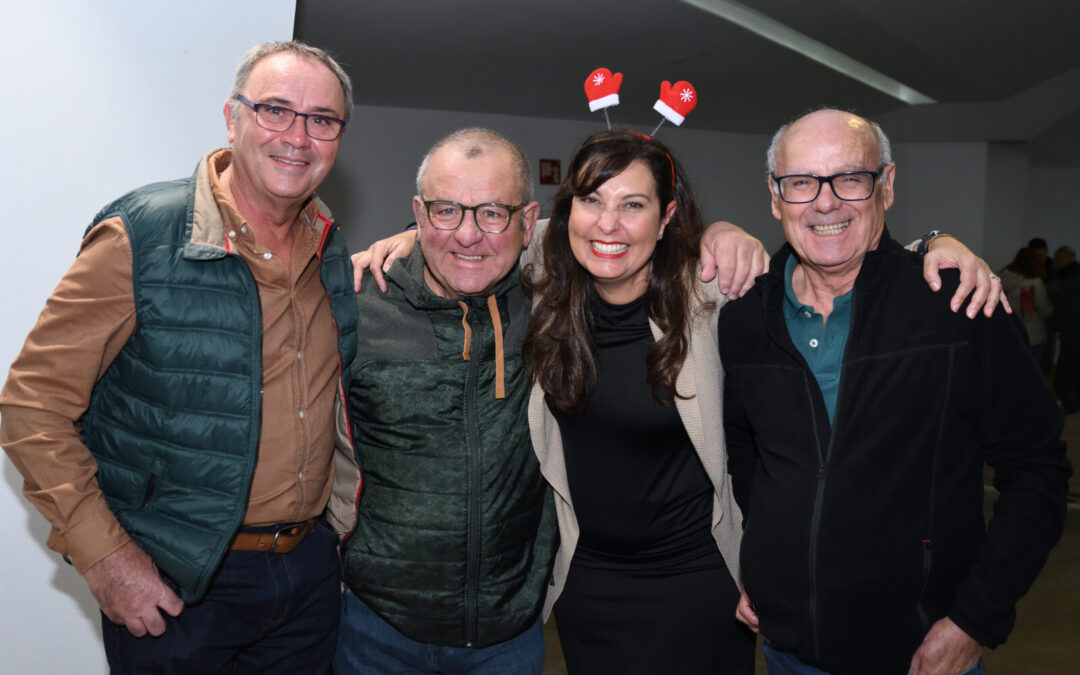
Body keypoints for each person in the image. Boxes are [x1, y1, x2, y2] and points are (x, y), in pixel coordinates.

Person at [0, 41, 357, 673]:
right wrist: (105, 557)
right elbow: (30, 407)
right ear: (231, 117)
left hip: (304, 579)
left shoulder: (328, 246)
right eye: (275, 110)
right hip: (180, 583)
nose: (297, 136)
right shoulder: (141, 236)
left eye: (321, 120)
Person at [719, 109, 1071, 675]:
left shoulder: (956, 305)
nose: (825, 202)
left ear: (886, 185)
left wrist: (975, 620)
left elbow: (1038, 470)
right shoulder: (744, 320)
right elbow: (748, 460)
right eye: (802, 182)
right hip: (787, 652)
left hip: (919, 655)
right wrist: (758, 565)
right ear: (774, 196)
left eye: (850, 179)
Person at [522, 129, 754, 673]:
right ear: (566, 212)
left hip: (695, 587)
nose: (608, 224)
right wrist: (409, 239)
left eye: (633, 205)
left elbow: (828, 274)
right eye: (591, 200)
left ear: (668, 216)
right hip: (589, 586)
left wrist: (934, 246)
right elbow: (474, 231)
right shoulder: (547, 290)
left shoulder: (712, 297)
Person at [330, 128, 558, 674]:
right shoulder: (358, 303)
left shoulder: (552, 302)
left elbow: (619, 232)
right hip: (372, 630)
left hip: (509, 636)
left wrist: (720, 235)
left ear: (527, 221)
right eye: (447, 211)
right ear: (418, 212)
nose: (469, 235)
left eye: (492, 213)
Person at [999, 246, 1053, 374]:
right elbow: (1044, 310)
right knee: (1031, 373)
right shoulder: (1034, 283)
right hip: (1032, 334)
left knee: (1010, 371)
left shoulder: (1001, 279)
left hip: (1009, 331)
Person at [1050, 245, 1080, 412]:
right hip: (1072, 333)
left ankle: (1070, 408)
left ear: (1064, 257)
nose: (1055, 262)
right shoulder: (1071, 275)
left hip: (1072, 334)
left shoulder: (1069, 279)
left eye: (1056, 257)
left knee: (1065, 377)